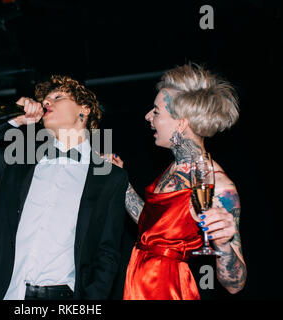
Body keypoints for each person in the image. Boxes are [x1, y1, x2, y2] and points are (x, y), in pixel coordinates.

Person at [0, 75, 128, 300]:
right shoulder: (21, 159)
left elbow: (106, 254)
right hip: (5, 293)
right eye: (45, 100)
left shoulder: (109, 176)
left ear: (85, 109)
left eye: (58, 97)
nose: (47, 103)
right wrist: (13, 121)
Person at [104, 64, 247, 299]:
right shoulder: (173, 169)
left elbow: (236, 284)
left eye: (156, 112)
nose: (148, 116)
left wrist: (223, 245)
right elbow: (153, 231)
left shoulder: (217, 185)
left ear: (181, 123)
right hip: (140, 283)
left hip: (167, 289)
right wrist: (121, 182)